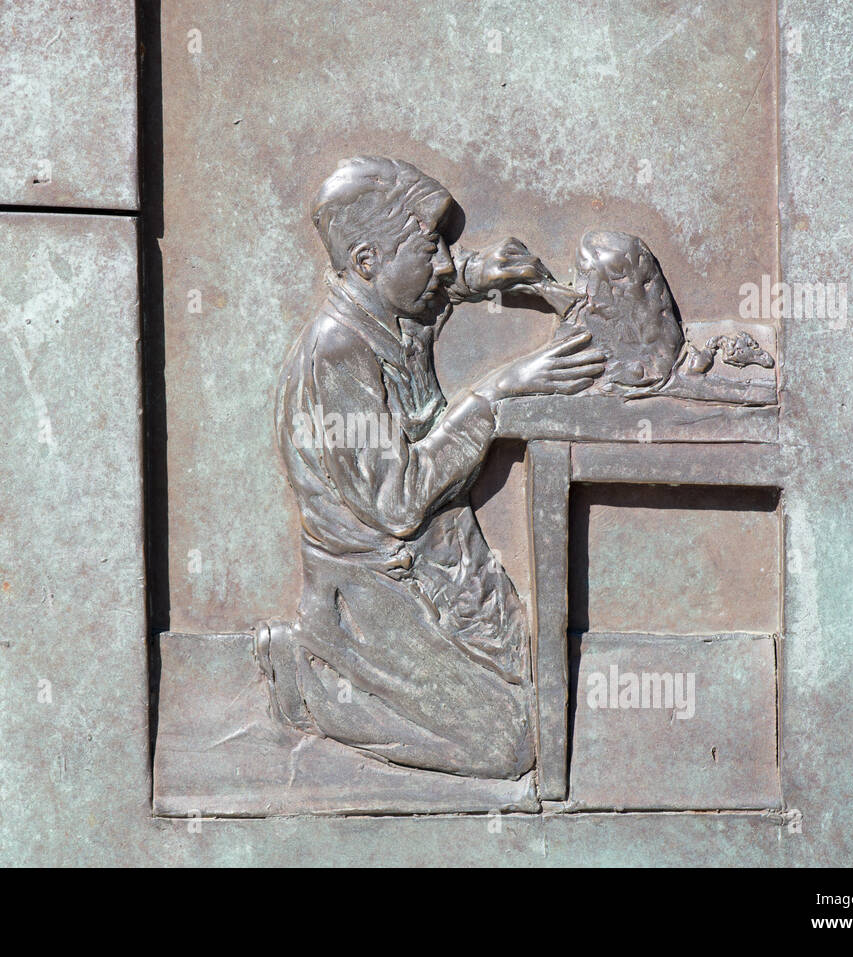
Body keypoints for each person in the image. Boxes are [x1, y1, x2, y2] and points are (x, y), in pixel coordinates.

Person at [257, 156, 605, 779]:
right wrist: (497, 394)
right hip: (372, 593)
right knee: (510, 745)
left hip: (444, 564)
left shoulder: (386, 315)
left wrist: (477, 276)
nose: (445, 264)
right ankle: (310, 679)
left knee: (538, 686)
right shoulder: (335, 352)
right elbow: (396, 500)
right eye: (431, 250)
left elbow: (419, 292)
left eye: (447, 249)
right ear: (366, 263)